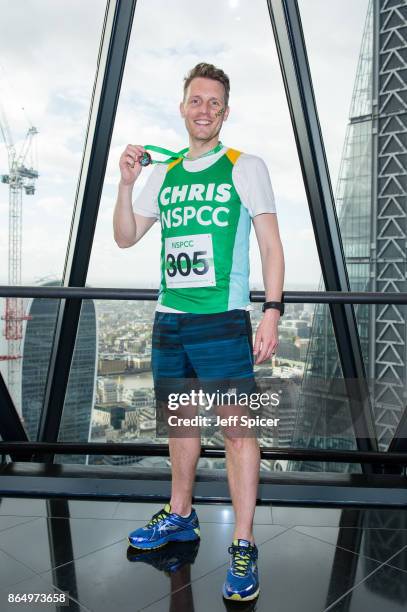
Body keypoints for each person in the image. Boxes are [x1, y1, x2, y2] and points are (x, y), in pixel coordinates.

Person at [113, 62, 285, 603]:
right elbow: (125, 237)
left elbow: (271, 245)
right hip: (170, 320)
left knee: (237, 433)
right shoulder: (162, 175)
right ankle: (181, 517)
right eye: (196, 100)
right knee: (181, 426)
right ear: (183, 107)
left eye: (214, 102)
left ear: (225, 112)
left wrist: (273, 310)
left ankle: (242, 543)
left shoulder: (244, 166)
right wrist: (125, 184)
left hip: (222, 319)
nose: (204, 109)